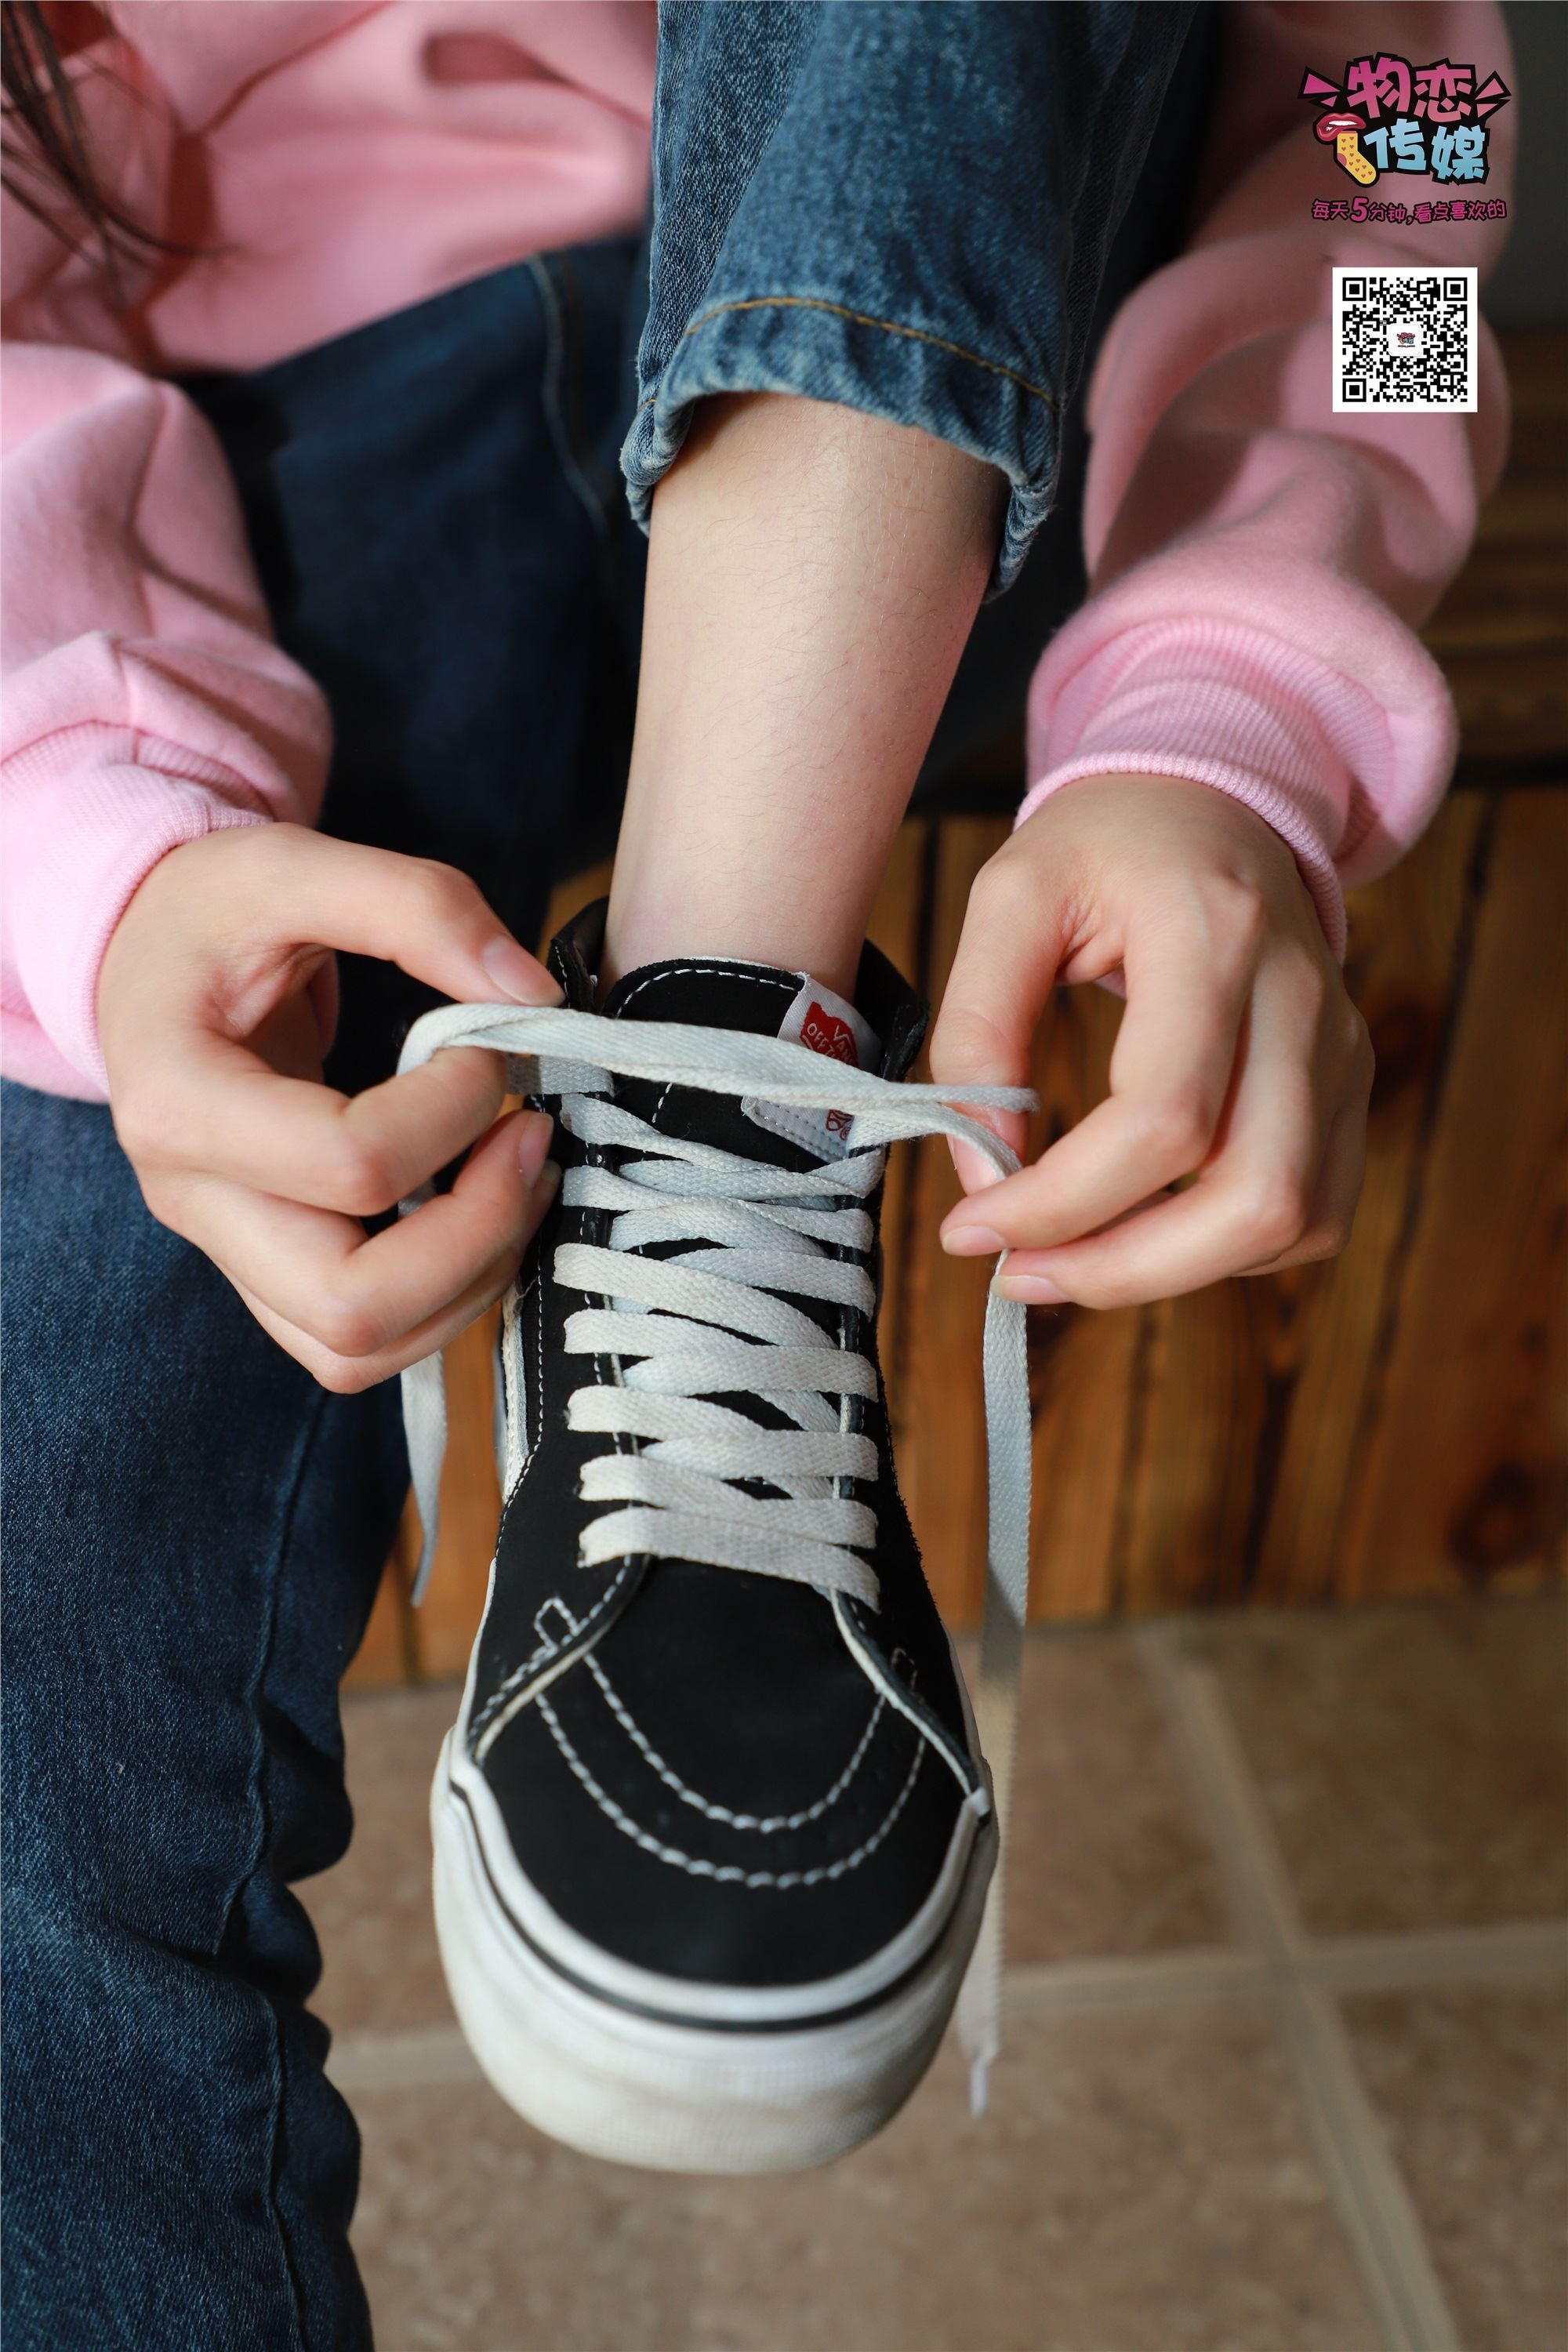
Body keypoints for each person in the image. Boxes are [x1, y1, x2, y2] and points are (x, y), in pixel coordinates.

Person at [1, 2, 1514, 2342]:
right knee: (34, 1712)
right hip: (247, 463)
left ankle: (720, 1055)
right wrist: (89, 831)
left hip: (991, 394)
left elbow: (1409, 145)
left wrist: (1250, 703)